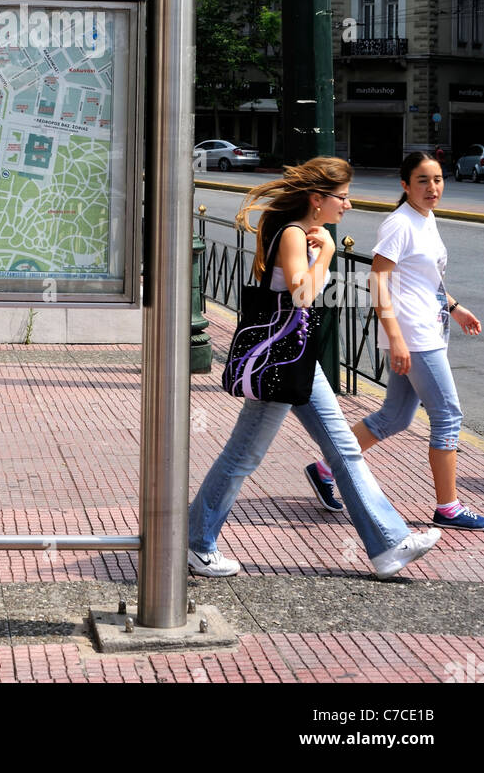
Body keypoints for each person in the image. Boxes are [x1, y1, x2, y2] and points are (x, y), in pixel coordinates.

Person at [189, 157, 441, 581]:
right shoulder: (292, 234)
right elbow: (303, 295)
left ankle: (387, 544)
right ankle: (197, 543)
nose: (348, 205)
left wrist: (321, 246)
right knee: (243, 455)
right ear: (317, 199)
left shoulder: (305, 233)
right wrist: (324, 251)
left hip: (298, 358)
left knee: (343, 449)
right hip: (282, 362)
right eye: (342, 197)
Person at [308, 151, 484, 529]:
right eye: (422, 180)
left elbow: (425, 279)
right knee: (448, 415)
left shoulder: (426, 218)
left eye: (437, 179)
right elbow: (377, 281)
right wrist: (396, 339)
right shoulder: (400, 223)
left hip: (427, 328)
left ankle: (325, 469)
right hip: (414, 335)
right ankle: (448, 507)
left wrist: (455, 307)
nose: (432, 187)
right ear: (405, 185)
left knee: (395, 416)